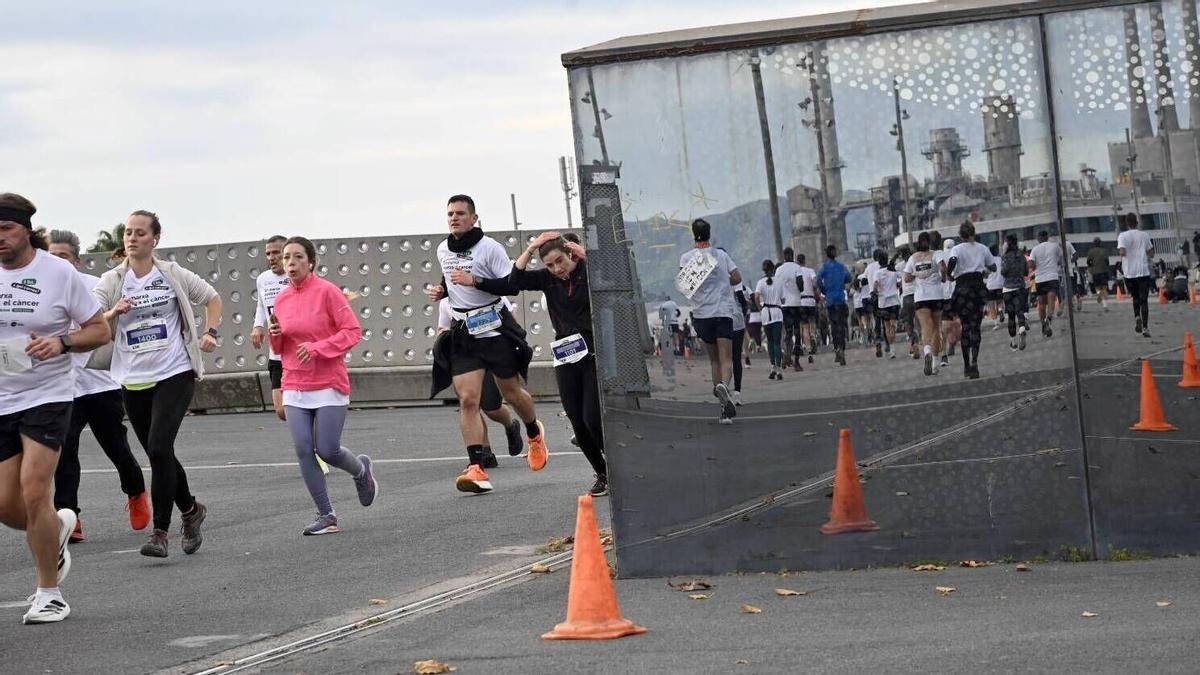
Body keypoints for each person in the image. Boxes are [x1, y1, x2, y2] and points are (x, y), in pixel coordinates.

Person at [0, 194, 111, 624]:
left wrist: (61, 342)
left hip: (46, 394)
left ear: (26, 230)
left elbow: (98, 330)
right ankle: (57, 527)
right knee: (11, 506)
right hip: (2, 397)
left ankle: (49, 592)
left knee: (33, 491)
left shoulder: (59, 273)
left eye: (6, 230)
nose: (0, 239)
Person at [91, 210, 221, 558]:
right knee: (157, 452)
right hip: (133, 377)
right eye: (128, 233)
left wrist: (210, 332)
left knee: (161, 448)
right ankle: (192, 510)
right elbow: (89, 319)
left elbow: (212, 298)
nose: (132, 238)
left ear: (155, 239)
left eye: (140, 233)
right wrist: (112, 312)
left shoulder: (171, 274)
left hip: (174, 371)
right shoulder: (112, 280)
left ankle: (160, 533)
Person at [428, 195, 549, 492]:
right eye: (450, 214)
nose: (454, 218)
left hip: (494, 329)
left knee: (511, 392)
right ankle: (476, 468)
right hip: (464, 333)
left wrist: (477, 281)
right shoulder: (443, 248)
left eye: (460, 214)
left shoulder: (490, 248)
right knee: (468, 399)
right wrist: (442, 290)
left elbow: (511, 285)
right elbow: (451, 278)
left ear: (474, 217)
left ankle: (534, 432)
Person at [478, 232, 609, 495]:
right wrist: (531, 248)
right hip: (566, 355)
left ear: (570, 253)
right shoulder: (547, 280)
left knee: (592, 417)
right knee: (577, 420)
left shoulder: (587, 271)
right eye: (550, 264)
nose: (557, 269)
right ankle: (602, 473)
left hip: (593, 353)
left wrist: (587, 257)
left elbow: (613, 276)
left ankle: (618, 464)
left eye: (560, 261)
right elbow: (513, 281)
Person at [268, 237, 377, 535]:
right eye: (286, 258)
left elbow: (353, 332)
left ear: (311, 262)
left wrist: (318, 348)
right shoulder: (281, 299)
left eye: (297, 257)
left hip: (328, 381)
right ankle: (326, 514)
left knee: (327, 449)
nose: (290, 262)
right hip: (294, 382)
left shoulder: (328, 292)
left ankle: (360, 470)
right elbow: (279, 347)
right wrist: (274, 334)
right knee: (304, 449)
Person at [47, 230, 150, 543]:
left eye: (63, 257)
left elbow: (106, 327)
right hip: (63, 387)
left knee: (116, 447)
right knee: (65, 449)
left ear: (76, 260)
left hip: (100, 384)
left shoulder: (95, 286)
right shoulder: (39, 293)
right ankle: (69, 517)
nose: (57, 263)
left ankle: (135, 491)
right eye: (51, 257)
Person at [431, 298, 525, 470]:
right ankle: (484, 452)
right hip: (464, 355)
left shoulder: (491, 293)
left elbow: (511, 319)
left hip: (491, 351)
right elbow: (442, 327)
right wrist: (444, 333)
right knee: (469, 403)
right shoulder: (447, 301)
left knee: (491, 407)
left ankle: (510, 425)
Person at [677, 219, 741, 424]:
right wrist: (723, 281)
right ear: (709, 234)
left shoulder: (686, 257)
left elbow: (685, 287)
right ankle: (724, 387)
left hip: (701, 316)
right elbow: (737, 278)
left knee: (714, 361)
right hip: (722, 312)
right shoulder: (721, 255)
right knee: (727, 359)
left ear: (693, 234)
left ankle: (722, 409)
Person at [946, 221, 996, 379]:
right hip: (978, 288)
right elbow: (993, 266)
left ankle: (967, 364)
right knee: (976, 326)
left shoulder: (956, 248)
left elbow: (953, 260)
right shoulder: (982, 248)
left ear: (960, 236)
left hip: (962, 289)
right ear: (973, 233)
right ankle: (975, 360)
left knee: (965, 327)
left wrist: (949, 274)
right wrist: (986, 268)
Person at [251, 235, 291, 421]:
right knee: (281, 411)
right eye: (268, 253)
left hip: (297, 352)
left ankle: (311, 442)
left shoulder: (295, 278)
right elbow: (261, 305)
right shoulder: (262, 279)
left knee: (300, 408)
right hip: (276, 354)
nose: (271, 257)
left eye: (276, 252)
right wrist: (258, 326)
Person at [903, 232, 946, 376]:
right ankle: (934, 363)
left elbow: (907, 278)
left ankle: (926, 350)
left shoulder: (913, 258)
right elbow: (943, 268)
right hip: (936, 295)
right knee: (936, 328)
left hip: (921, 297)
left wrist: (918, 274)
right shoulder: (936, 254)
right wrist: (943, 278)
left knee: (925, 326)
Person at [1118, 213, 1155, 337]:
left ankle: (1137, 317)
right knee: (1144, 300)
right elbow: (1151, 253)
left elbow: (1122, 252)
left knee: (1135, 298)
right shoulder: (1144, 235)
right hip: (1143, 272)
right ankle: (1145, 327)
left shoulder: (1122, 236)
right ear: (1137, 222)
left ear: (1127, 223)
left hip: (1130, 273)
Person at [817, 245, 853, 365]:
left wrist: (824, 291)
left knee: (833, 325)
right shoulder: (841, 267)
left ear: (827, 254)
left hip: (831, 301)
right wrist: (841, 282)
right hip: (841, 300)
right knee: (842, 326)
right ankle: (842, 349)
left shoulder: (824, 268)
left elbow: (817, 281)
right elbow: (849, 278)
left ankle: (837, 348)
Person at [1028, 230, 1063, 338]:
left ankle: (1043, 324)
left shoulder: (1034, 249)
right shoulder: (1055, 246)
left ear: (1038, 238)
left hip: (1040, 279)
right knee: (1051, 300)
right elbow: (1060, 260)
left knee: (1042, 304)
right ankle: (1049, 319)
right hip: (1052, 277)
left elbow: (1031, 265)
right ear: (1047, 237)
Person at [773, 248, 804, 371]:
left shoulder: (779, 270)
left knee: (788, 332)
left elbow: (776, 286)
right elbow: (801, 285)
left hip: (784, 305)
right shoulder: (797, 268)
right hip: (795, 304)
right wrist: (797, 290)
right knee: (797, 332)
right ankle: (796, 361)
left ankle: (786, 354)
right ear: (792, 255)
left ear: (784, 256)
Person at [1000, 234, 1030, 352]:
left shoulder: (1005, 256)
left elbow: (1003, 271)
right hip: (1020, 288)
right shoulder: (1021, 256)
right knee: (1020, 311)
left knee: (1011, 316)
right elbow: (1026, 272)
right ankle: (1022, 328)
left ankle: (1013, 343)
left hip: (1008, 289)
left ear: (1007, 244)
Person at [756, 260, 786, 381]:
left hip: (765, 313)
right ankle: (779, 369)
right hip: (777, 313)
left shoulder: (760, 282)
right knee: (777, 342)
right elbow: (783, 300)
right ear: (773, 269)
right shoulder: (779, 282)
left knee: (769, 341)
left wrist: (760, 307)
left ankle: (772, 366)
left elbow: (756, 296)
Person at [872, 252, 901, 359]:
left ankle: (891, 350)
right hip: (894, 301)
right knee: (893, 325)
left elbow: (875, 286)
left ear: (879, 261)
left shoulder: (877, 273)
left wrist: (877, 291)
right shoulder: (893, 272)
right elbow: (901, 280)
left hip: (883, 303)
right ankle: (893, 349)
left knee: (887, 326)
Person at [796, 253, 821, 363]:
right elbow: (815, 283)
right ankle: (813, 336)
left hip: (801, 301)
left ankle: (809, 349)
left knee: (804, 326)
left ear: (797, 261)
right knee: (812, 322)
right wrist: (813, 289)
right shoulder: (810, 271)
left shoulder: (796, 272)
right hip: (811, 300)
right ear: (804, 261)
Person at [1085, 237, 1111, 311]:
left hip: (1095, 272)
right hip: (1104, 271)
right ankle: (1105, 305)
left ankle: (1099, 295)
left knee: (1098, 288)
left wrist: (1092, 267)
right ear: (1100, 243)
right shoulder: (1104, 251)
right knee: (1104, 288)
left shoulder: (1090, 252)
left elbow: (1088, 262)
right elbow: (1107, 262)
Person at [985, 244, 1005, 331]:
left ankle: (996, 323)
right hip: (1000, 284)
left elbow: (985, 272)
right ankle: (1000, 310)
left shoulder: (987, 261)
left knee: (991, 304)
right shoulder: (1001, 259)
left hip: (990, 285)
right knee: (1000, 301)